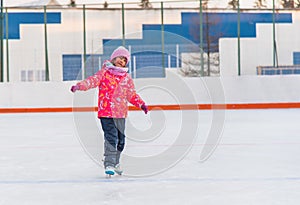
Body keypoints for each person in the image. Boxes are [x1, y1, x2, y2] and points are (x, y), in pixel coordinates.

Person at [70, 46, 148, 176]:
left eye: (124, 60)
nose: (121, 61)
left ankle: (116, 162)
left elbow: (131, 94)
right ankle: (109, 163)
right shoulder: (104, 73)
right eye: (119, 58)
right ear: (113, 58)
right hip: (106, 113)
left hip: (120, 114)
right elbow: (92, 81)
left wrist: (141, 104)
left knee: (121, 140)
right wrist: (79, 86)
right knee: (111, 138)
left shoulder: (126, 78)